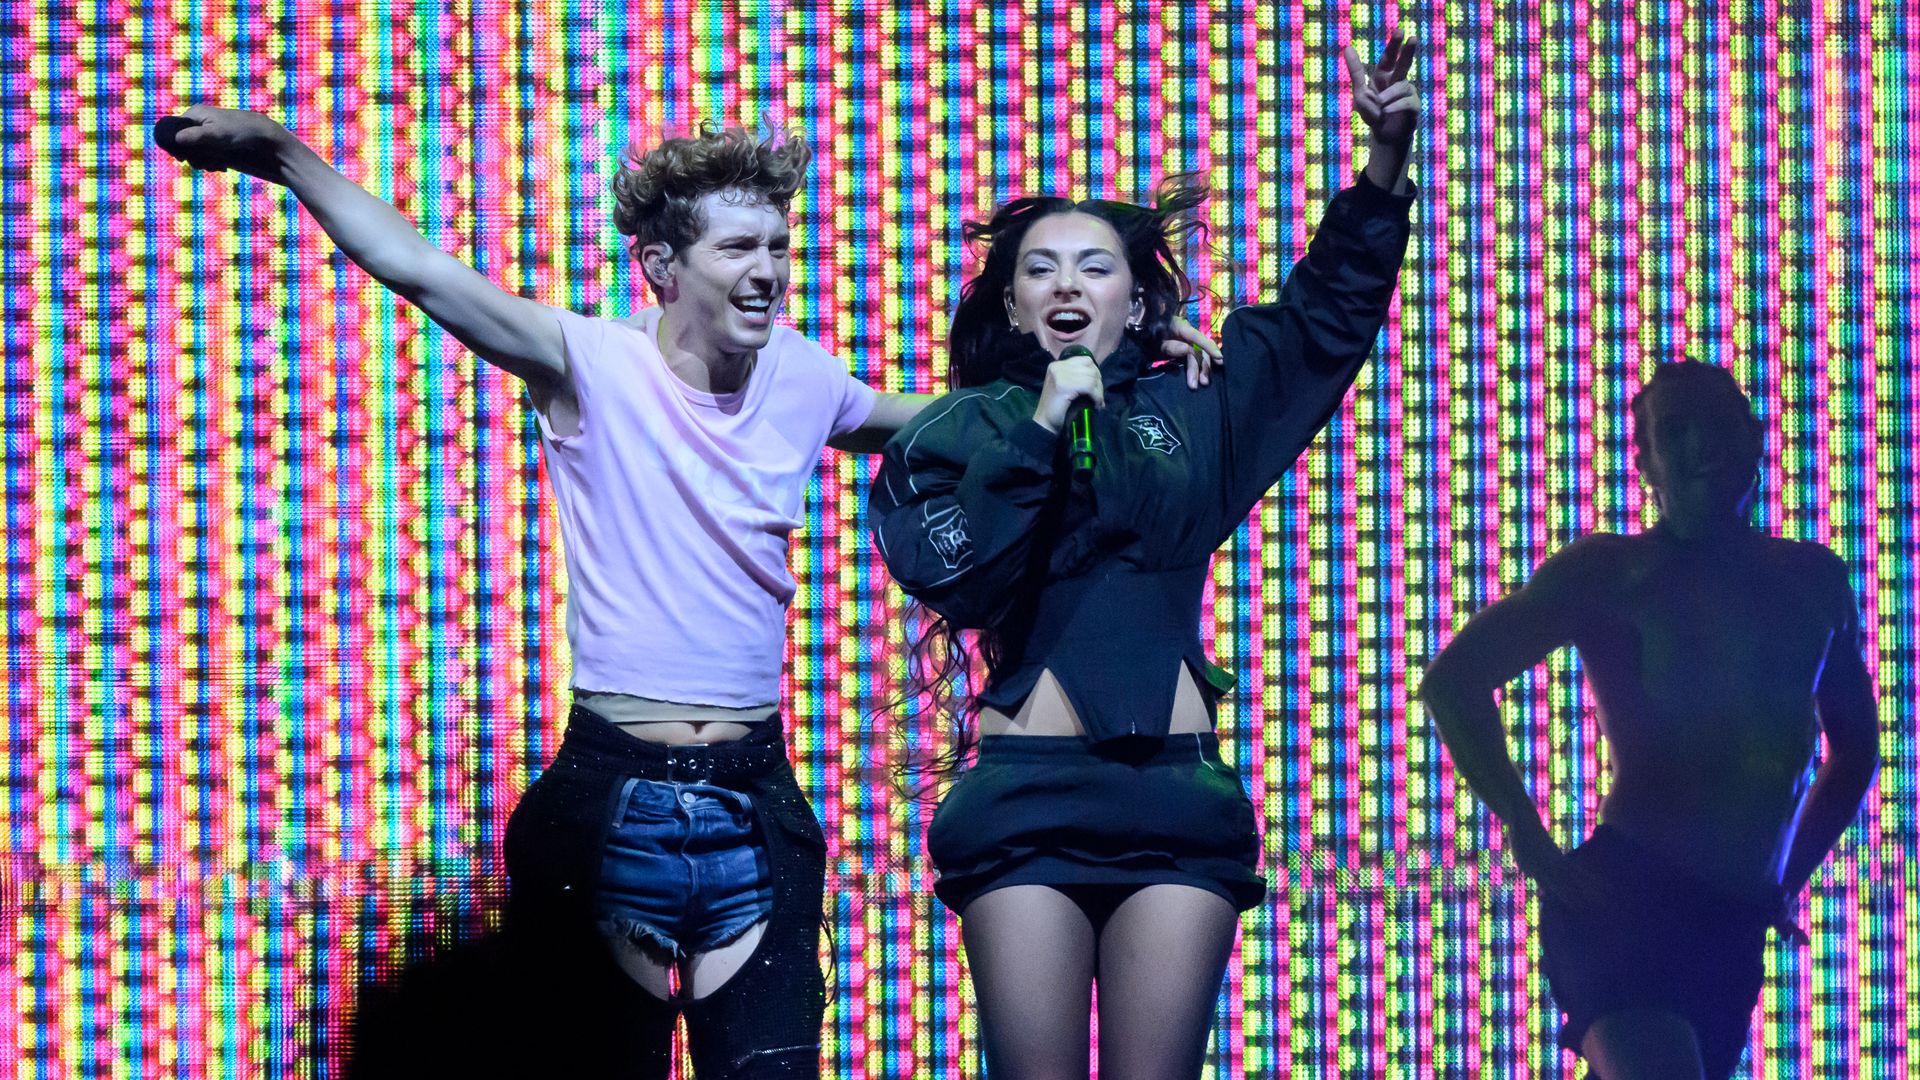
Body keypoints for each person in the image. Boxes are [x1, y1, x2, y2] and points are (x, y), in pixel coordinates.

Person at [155, 110, 1219, 1077]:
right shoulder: (589, 363)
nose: (768, 272)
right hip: (608, 798)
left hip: (758, 800)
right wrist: (288, 160)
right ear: (661, 264)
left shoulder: (805, 379)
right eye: (738, 249)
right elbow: (425, 273)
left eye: (779, 249)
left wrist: (1128, 361)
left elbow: (966, 427)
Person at [867, 38, 1420, 1079]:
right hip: (1028, 797)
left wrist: (1384, 159)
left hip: (1175, 799)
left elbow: (1322, 324)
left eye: (1093, 265)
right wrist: (1038, 430)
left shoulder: (1195, 409)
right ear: (1012, 304)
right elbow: (956, 574)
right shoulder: (957, 431)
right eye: (1039, 268)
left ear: (1136, 298)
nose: (1066, 284)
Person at [1420, 361, 1881, 1080]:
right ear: (1646, 464)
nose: (1701, 443)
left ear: (1755, 437)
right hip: (1627, 905)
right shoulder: (1612, 571)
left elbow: (1855, 750)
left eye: (1717, 421)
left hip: (1731, 926)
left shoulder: (1813, 580)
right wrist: (1527, 834)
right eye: (1675, 429)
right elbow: (1454, 681)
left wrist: (1784, 876)